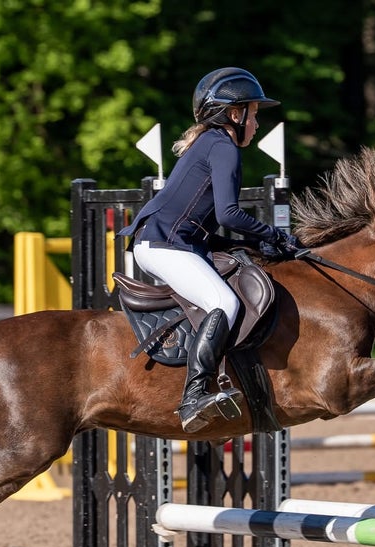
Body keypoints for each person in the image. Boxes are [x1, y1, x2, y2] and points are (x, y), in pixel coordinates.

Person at [119, 67, 302, 433]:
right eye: (254, 113)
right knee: (225, 303)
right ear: (235, 114)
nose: (257, 123)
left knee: (226, 289)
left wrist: (254, 243)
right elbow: (228, 214)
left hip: (172, 243)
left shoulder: (211, 143)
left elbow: (207, 227)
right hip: (163, 246)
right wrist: (276, 235)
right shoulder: (222, 146)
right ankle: (193, 396)